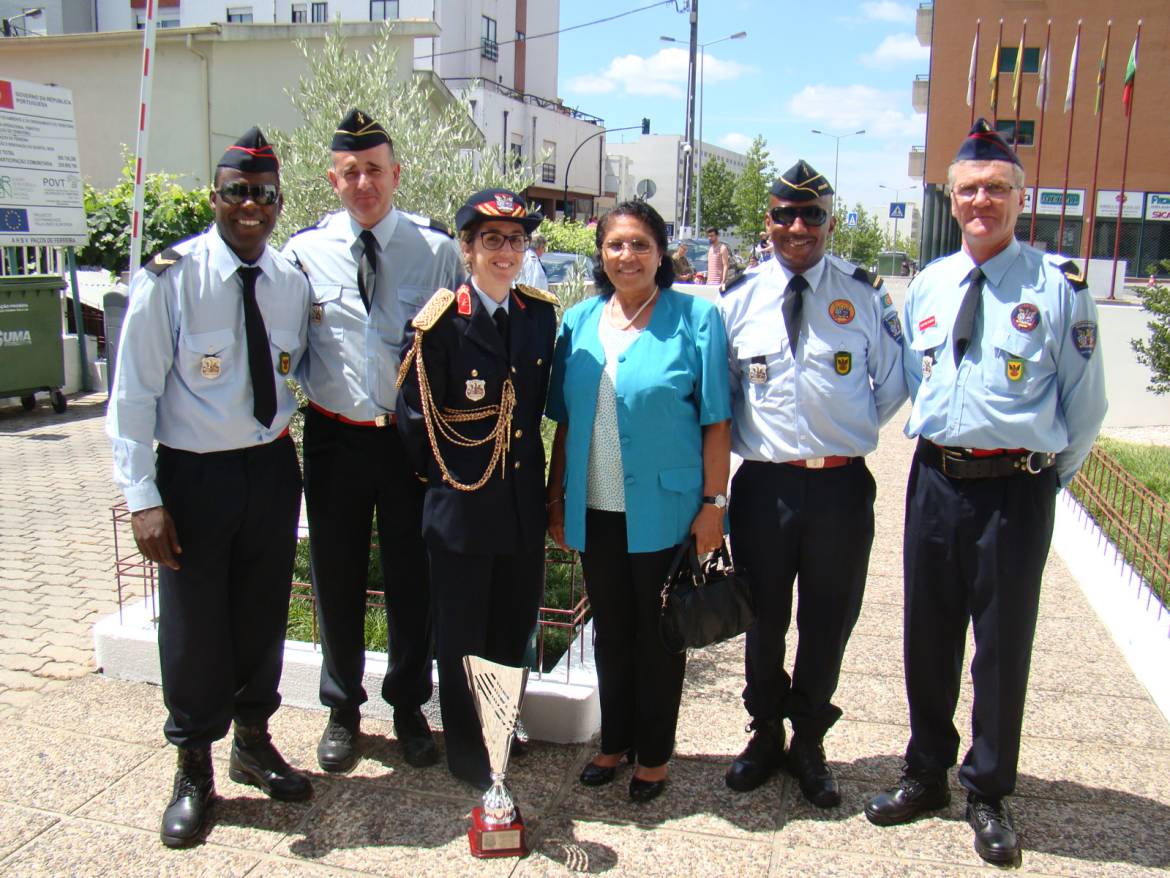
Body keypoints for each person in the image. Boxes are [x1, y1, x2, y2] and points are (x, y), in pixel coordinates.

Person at [864, 120, 1107, 866]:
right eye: (968, 190)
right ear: (951, 197)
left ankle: (989, 788)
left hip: (1014, 490)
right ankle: (926, 771)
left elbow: (1086, 408)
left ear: (1018, 198)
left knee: (1002, 648)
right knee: (927, 637)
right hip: (934, 479)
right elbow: (914, 380)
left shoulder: (1056, 289)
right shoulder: (931, 283)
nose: (981, 202)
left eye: (996, 190)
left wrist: (1038, 481)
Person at [106, 127, 312, 848]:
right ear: (214, 197)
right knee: (194, 627)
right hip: (193, 475)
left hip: (269, 466)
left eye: (261, 194)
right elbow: (131, 395)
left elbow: (301, 367)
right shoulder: (171, 277)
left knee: (261, 614)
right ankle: (193, 766)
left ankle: (252, 742)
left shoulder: (290, 281)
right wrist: (142, 497)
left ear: (278, 203)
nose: (249, 205)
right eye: (235, 193)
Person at [718, 160, 907, 808]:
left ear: (829, 221)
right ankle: (765, 732)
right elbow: (728, 392)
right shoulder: (738, 298)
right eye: (784, 215)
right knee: (764, 620)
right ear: (767, 222)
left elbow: (895, 380)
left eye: (812, 215)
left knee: (829, 621)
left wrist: (843, 429)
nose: (798, 227)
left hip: (839, 490)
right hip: (764, 488)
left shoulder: (865, 292)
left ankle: (808, 742)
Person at [283, 109, 463, 774]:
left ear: (397, 174)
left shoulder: (437, 250)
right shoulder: (303, 252)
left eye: (375, 170)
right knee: (335, 576)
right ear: (333, 178)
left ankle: (410, 705)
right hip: (334, 437)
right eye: (350, 172)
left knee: (413, 578)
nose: (364, 183)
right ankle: (342, 709)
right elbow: (290, 347)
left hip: (408, 444)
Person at [546, 200, 732, 803]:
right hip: (595, 507)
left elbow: (716, 422)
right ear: (600, 252)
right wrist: (556, 498)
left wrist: (714, 504)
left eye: (640, 245)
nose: (627, 256)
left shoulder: (695, 320)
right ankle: (614, 741)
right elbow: (567, 425)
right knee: (611, 632)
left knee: (658, 636)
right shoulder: (576, 321)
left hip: (666, 508)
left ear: (661, 253)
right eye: (616, 245)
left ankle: (653, 755)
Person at [396, 189, 557, 789]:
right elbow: (414, 424)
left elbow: (534, 410)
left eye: (515, 240)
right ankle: (469, 750)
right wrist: (448, 485)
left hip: (518, 506)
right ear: (467, 249)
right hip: (462, 504)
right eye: (491, 240)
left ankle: (501, 725)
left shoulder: (539, 315)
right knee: (461, 634)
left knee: (512, 627)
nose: (506, 252)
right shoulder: (439, 324)